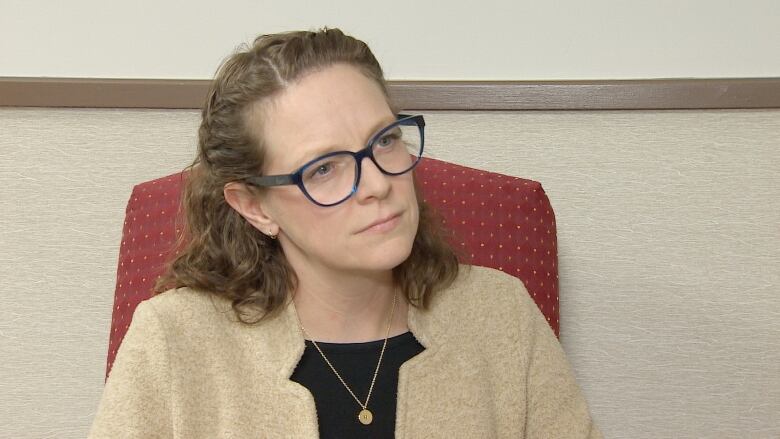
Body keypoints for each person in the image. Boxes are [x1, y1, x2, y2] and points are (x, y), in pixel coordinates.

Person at [89, 28, 601, 438]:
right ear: (254, 206)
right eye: (324, 169)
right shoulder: (173, 340)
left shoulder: (501, 314)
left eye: (385, 140)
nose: (379, 184)